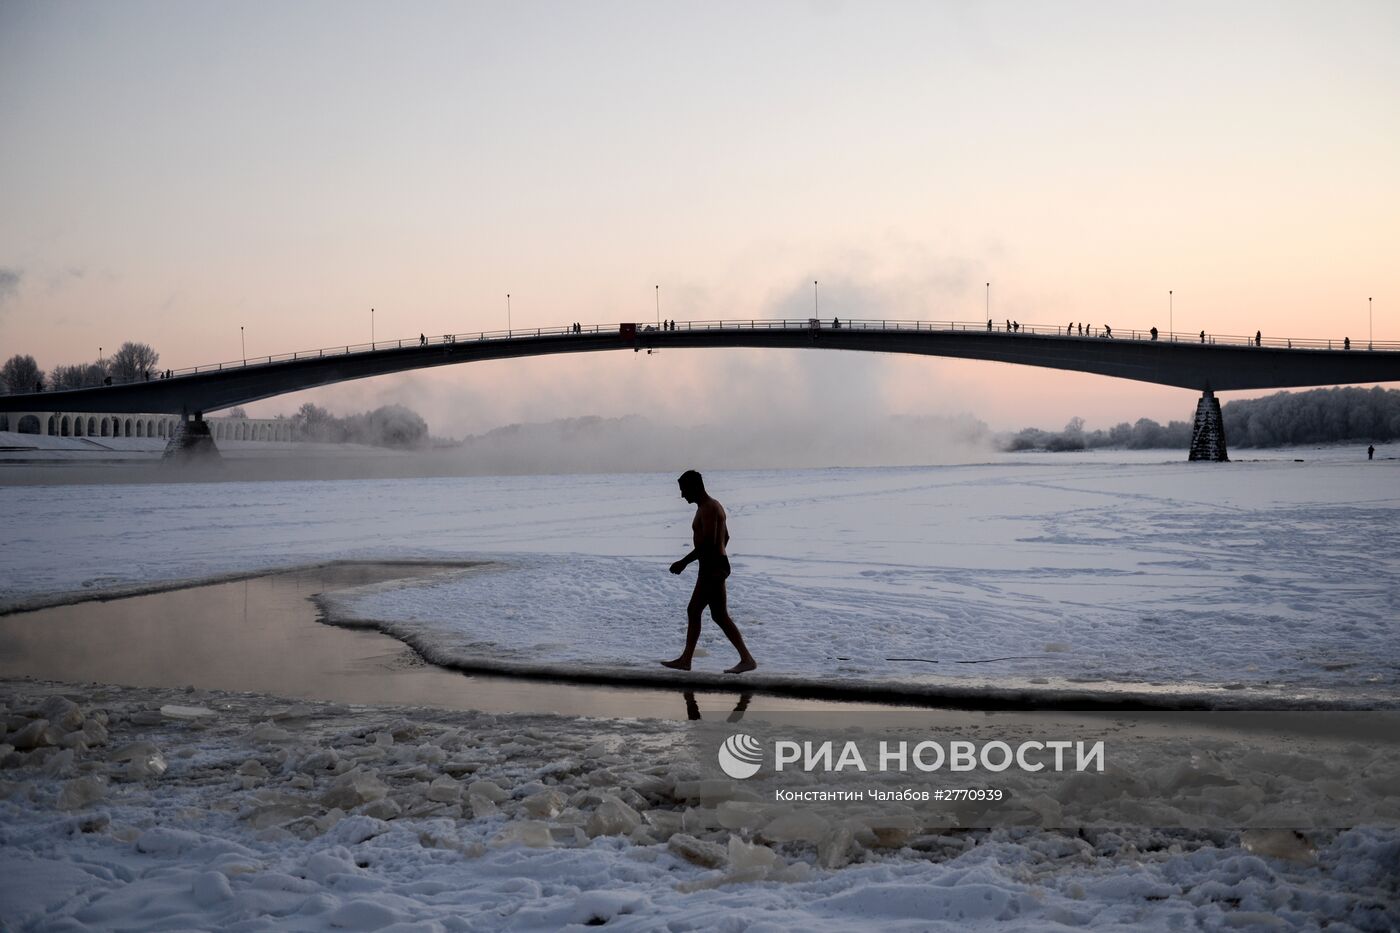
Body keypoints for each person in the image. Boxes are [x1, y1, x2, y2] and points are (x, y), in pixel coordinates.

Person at [663, 470, 757, 674]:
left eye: (684, 490)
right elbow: (726, 538)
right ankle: (746, 659)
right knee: (719, 615)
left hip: (713, 567)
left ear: (694, 487)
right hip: (714, 565)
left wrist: (684, 562)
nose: (682, 495)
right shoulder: (710, 507)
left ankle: (686, 660)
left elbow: (710, 542)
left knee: (695, 610)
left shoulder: (708, 508)